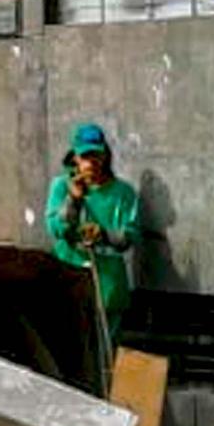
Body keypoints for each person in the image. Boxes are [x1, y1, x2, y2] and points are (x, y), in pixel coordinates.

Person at [46, 122, 141, 354]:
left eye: (96, 156)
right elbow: (55, 228)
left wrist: (105, 235)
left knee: (105, 353)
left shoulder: (123, 193)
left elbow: (130, 237)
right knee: (70, 351)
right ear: (75, 159)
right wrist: (74, 201)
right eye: (85, 157)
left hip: (107, 288)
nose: (91, 163)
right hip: (69, 281)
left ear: (105, 155)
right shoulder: (61, 187)